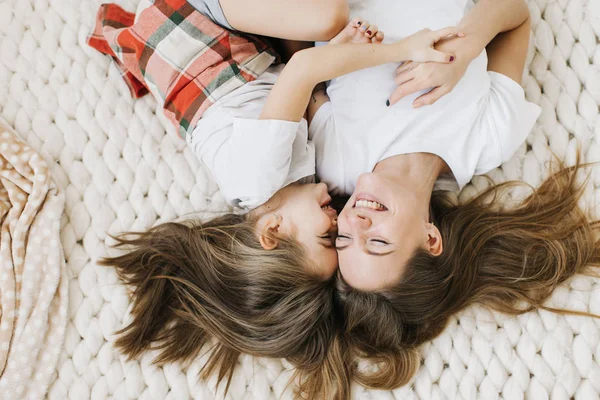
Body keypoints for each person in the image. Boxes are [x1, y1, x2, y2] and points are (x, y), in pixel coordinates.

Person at [92, 0, 461, 397]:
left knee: (326, 16)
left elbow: (301, 71)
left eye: (326, 237)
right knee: (323, 28)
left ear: (272, 230)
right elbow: (292, 79)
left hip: (190, 21)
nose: (340, 220)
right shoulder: (288, 187)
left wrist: (400, 51)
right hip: (243, 48)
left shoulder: (257, 176)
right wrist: (342, 48)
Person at [305, 0, 598, 392]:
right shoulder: (489, 141)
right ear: (430, 238)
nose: (356, 223)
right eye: (377, 241)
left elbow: (300, 65)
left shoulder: (335, 163)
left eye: (343, 238)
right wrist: (466, 45)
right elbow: (515, 14)